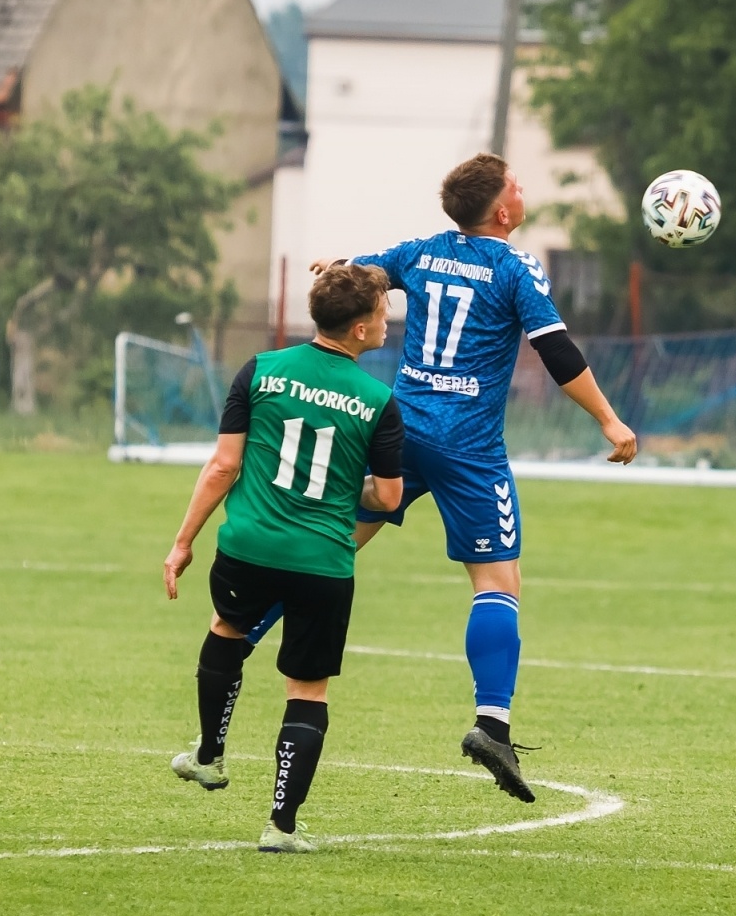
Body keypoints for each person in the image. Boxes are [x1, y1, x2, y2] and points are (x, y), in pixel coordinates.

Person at [296, 153, 638, 804]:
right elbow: (557, 351)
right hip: (469, 449)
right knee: (498, 582)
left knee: (328, 545)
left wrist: (334, 263)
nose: (523, 190)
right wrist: (609, 419)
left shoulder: (422, 251)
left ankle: (236, 638)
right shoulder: (515, 269)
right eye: (517, 185)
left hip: (399, 432)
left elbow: (362, 273)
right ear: (503, 212)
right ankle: (493, 725)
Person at [162, 264, 404, 853]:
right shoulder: (379, 401)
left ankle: (209, 755)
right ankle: (281, 826)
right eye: (382, 313)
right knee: (307, 689)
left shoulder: (261, 370)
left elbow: (224, 466)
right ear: (358, 329)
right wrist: (347, 486)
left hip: (249, 547)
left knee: (227, 629)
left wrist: (183, 541)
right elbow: (388, 497)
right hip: (323, 562)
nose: (387, 321)